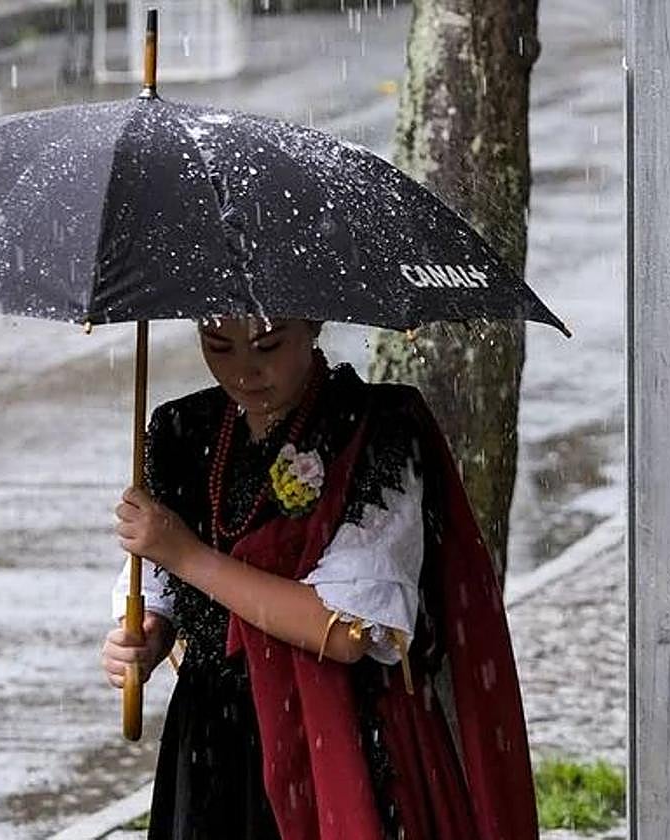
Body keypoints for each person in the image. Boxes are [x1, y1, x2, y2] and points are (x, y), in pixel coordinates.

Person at [101, 318, 538, 840]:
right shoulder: (182, 430)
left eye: (268, 345)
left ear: (312, 324)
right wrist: (146, 638)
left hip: (343, 733)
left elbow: (345, 633)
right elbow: (165, 591)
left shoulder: (374, 429)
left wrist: (187, 555)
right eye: (219, 346)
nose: (245, 370)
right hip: (214, 743)